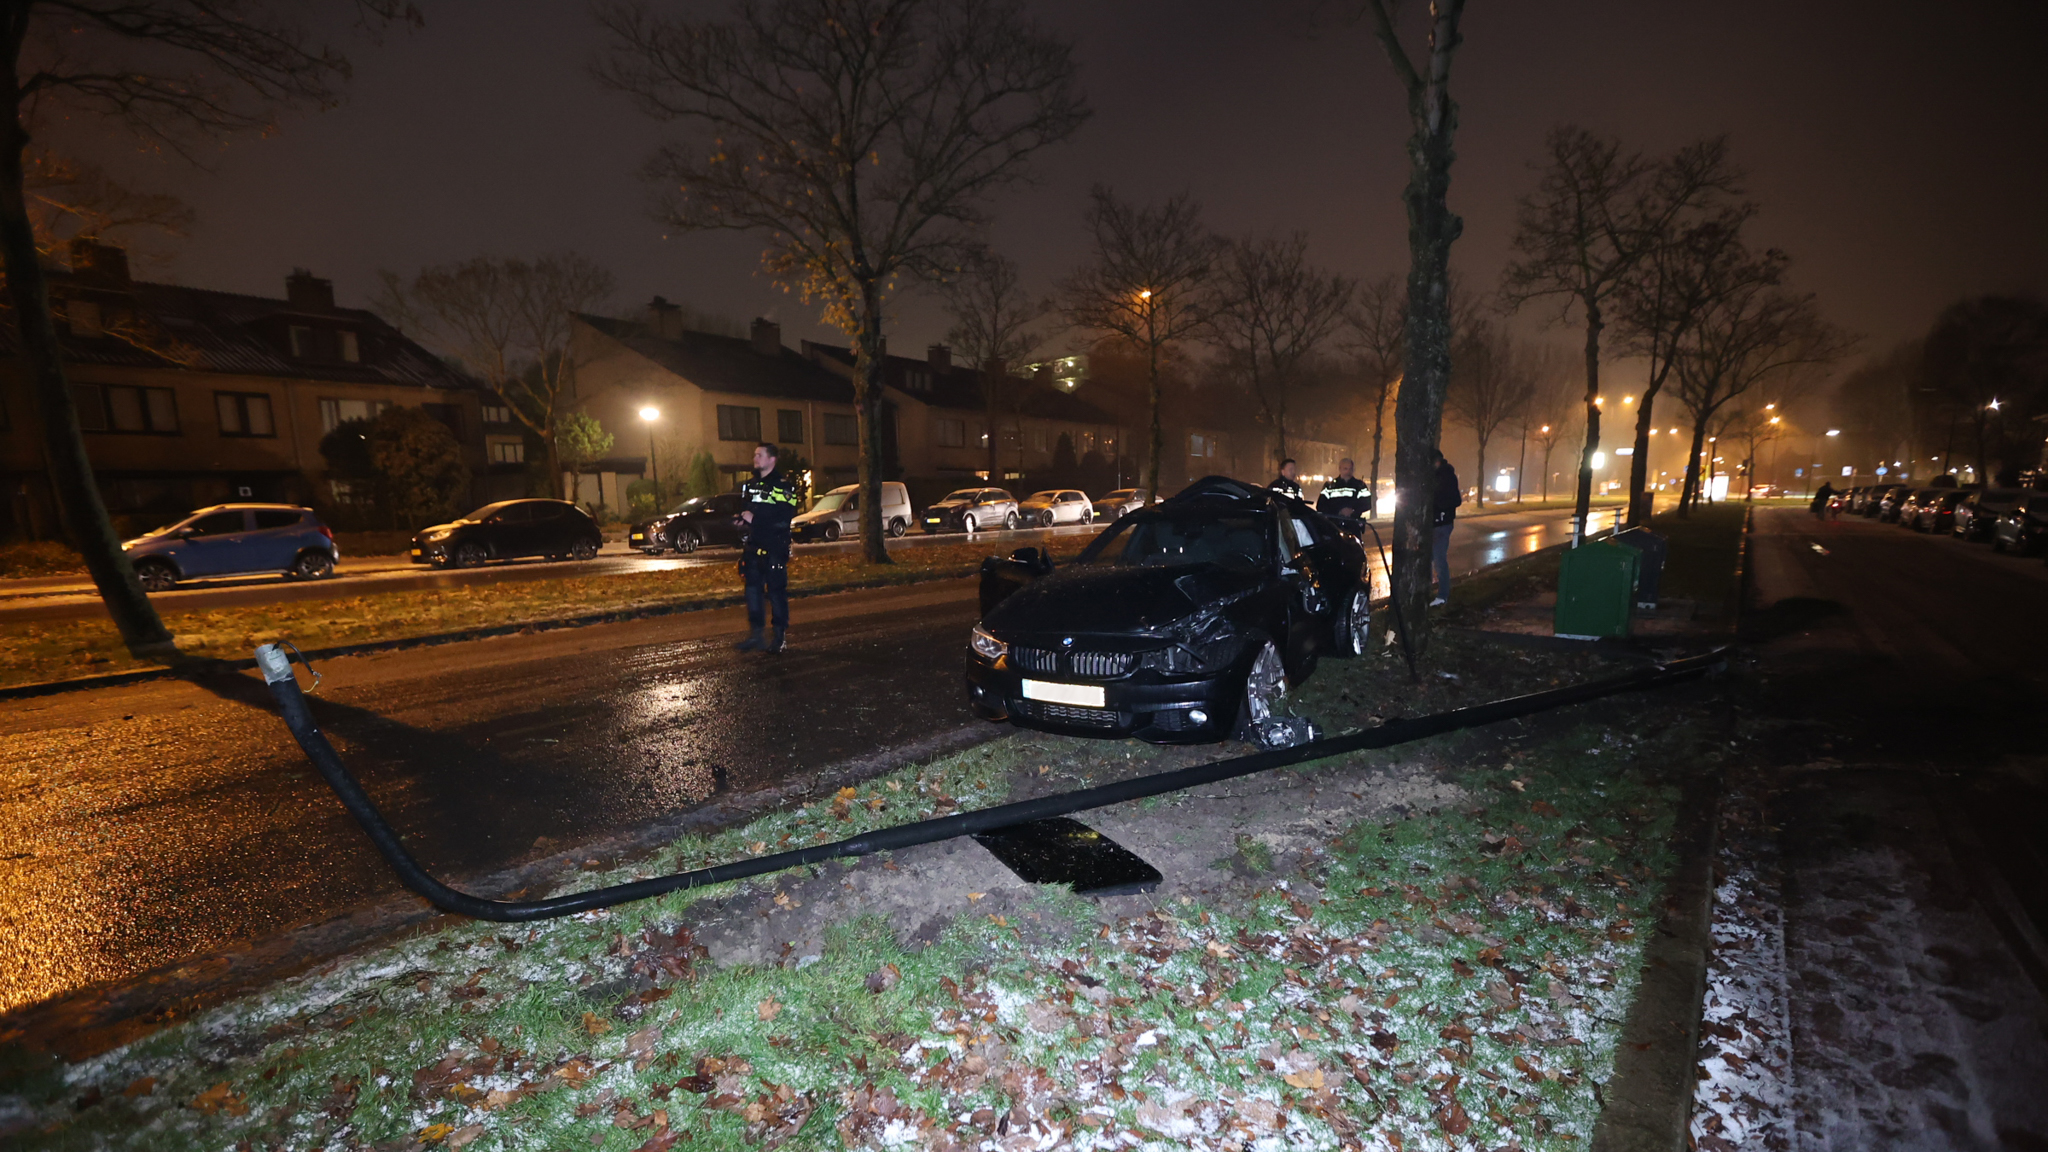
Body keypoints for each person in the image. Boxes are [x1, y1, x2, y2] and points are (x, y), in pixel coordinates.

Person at [733, 442, 802, 653]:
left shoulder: (783, 486)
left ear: (772, 459)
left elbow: (785, 517)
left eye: (759, 455)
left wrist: (756, 518)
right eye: (755, 455)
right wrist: (740, 520)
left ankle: (779, 637)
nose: (755, 459)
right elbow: (746, 509)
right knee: (752, 593)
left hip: (774, 548)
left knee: (776, 593)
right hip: (753, 547)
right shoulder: (751, 484)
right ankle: (756, 635)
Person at [1431, 449, 1462, 607]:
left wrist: (1439, 506)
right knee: (1431, 559)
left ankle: (1443, 595)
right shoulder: (1437, 476)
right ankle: (1434, 592)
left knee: (1439, 559)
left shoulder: (1446, 476)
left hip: (1442, 524)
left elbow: (1455, 499)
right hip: (1435, 523)